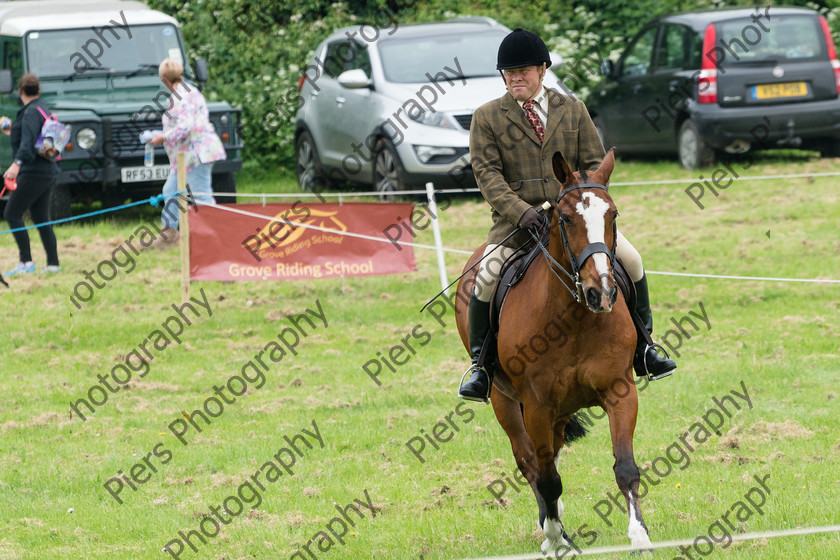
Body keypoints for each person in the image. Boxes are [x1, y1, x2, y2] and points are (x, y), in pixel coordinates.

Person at [458, 28, 676, 402]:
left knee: (633, 261)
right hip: (518, 228)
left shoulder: (571, 110)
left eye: (523, 71)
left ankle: (645, 348)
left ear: (542, 70)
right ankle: (481, 366)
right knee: (485, 278)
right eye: (508, 73)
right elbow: (488, 175)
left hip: (576, 221)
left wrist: (579, 198)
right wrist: (521, 212)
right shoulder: (488, 117)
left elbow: (594, 162)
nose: (515, 78)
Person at [148, 58, 225, 248]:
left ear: (164, 79)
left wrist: (163, 138)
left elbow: (185, 125)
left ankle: (214, 239)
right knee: (170, 191)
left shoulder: (178, 97)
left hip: (196, 154)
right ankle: (168, 235)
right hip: (186, 156)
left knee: (202, 196)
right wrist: (163, 135)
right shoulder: (191, 91)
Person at [2, 73, 60, 275]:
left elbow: (27, 146)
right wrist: (12, 130)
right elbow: (33, 135)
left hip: (33, 171)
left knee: (11, 213)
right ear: (38, 90)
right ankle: (53, 264)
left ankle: (25, 263)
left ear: (20, 92)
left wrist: (15, 166)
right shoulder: (41, 108)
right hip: (48, 170)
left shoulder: (29, 114)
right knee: (40, 216)